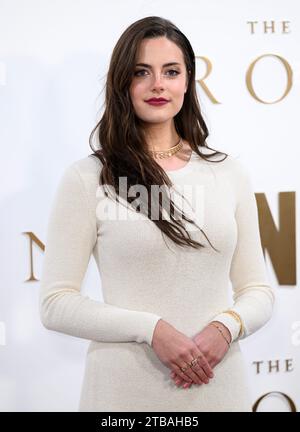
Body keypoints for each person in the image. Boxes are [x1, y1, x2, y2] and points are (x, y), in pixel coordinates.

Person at [39, 16, 275, 412]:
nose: (158, 84)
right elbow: (55, 303)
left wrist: (226, 326)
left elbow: (258, 291)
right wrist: (152, 330)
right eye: (141, 72)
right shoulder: (88, 178)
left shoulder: (228, 172)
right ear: (122, 83)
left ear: (187, 81)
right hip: (122, 394)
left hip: (219, 389)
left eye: (171, 71)